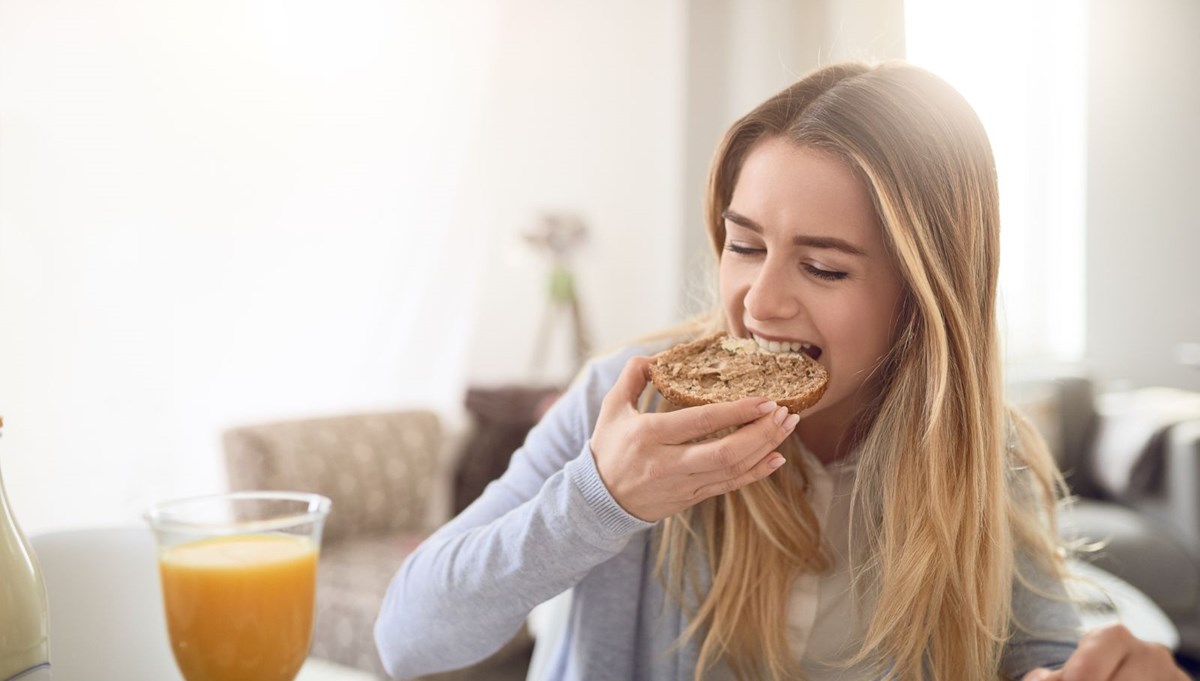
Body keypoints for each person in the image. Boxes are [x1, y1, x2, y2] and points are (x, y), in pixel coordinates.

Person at [374, 61, 1187, 681]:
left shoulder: (976, 450)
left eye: (824, 269)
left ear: (923, 296)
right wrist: (600, 497)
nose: (760, 301)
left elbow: (1040, 656)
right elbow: (407, 636)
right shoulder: (632, 401)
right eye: (745, 244)